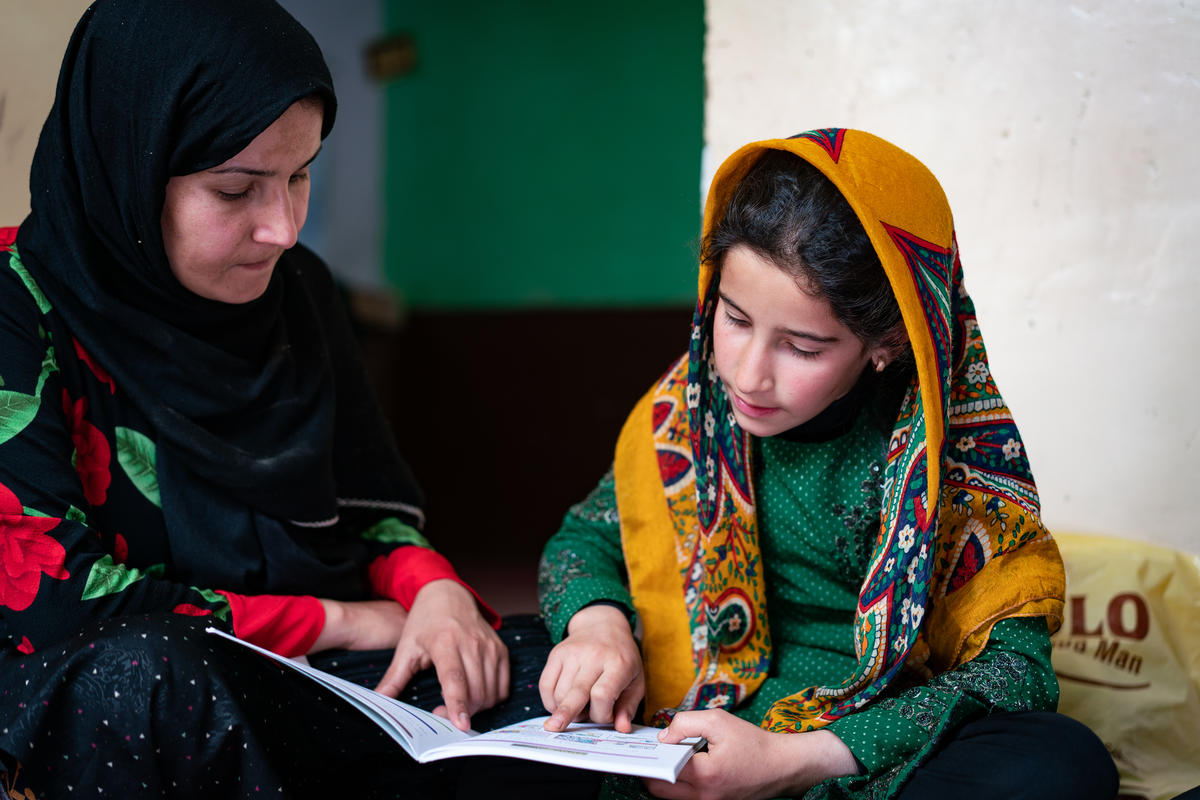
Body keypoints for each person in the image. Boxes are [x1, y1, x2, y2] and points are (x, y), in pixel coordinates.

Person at [0, 1, 592, 797]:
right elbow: (55, 604)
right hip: (102, 695)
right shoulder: (17, 305)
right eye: (237, 189)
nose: (282, 229)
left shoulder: (298, 294)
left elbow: (364, 512)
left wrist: (436, 592)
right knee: (150, 682)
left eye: (301, 175)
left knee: (552, 680)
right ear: (128, 166)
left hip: (300, 679)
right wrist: (341, 620)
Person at [536, 129, 1119, 799]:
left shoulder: (947, 461)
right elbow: (585, 537)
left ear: (888, 341)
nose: (749, 376)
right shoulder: (684, 414)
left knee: (1056, 764)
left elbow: (1017, 672)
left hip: (852, 757)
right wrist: (599, 628)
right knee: (482, 688)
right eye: (732, 317)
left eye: (803, 348)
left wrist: (792, 760)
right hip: (679, 734)